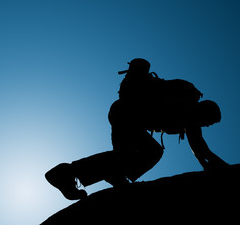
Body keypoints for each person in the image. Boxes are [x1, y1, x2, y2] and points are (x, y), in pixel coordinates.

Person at [45, 58, 228, 200]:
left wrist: (208, 167)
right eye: (209, 122)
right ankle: (66, 173)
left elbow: (199, 148)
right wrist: (219, 169)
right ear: (206, 112)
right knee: (151, 152)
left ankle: (73, 174)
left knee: (125, 156)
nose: (206, 126)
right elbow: (200, 148)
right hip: (127, 115)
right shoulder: (188, 106)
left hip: (122, 113)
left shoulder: (186, 109)